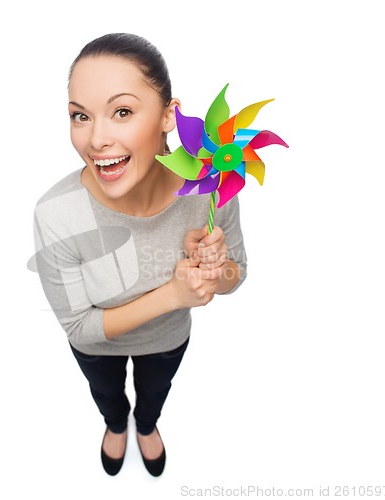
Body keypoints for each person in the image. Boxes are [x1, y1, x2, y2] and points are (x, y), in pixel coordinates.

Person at [30, 32, 247, 477]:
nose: (96, 138)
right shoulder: (56, 213)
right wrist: (173, 294)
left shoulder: (211, 192)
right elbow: (79, 328)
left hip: (167, 341)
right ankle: (115, 425)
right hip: (97, 350)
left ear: (168, 116)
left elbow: (235, 275)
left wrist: (215, 269)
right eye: (80, 116)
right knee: (107, 395)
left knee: (155, 392)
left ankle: (146, 426)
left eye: (122, 111)